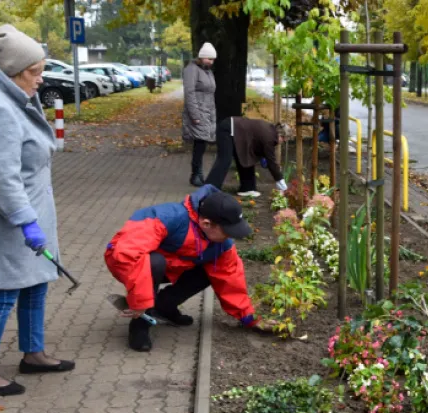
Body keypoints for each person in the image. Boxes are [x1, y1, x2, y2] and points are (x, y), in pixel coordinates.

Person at [0, 24, 75, 397]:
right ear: (13, 70)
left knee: (35, 284)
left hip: (27, 212)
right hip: (4, 217)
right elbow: (2, 180)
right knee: (3, 293)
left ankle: (33, 353)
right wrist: (26, 221)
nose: (41, 79)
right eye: (34, 72)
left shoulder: (13, 96)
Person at [105, 185, 274, 351]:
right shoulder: (168, 218)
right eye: (227, 231)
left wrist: (251, 319)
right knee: (155, 263)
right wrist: (139, 301)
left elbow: (231, 280)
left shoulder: (221, 244)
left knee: (212, 269)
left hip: (174, 265)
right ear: (207, 223)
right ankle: (140, 323)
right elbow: (127, 254)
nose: (230, 237)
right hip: (125, 262)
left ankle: (164, 306)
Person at [204, 116, 292, 197]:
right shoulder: (270, 138)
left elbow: (258, 145)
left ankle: (247, 188)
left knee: (247, 157)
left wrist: (263, 158)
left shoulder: (270, 131)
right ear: (281, 135)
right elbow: (271, 162)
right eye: (283, 140)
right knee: (224, 160)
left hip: (235, 131)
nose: (282, 143)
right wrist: (282, 184)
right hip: (228, 129)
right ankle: (209, 189)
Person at [183, 42, 218, 187]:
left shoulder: (207, 71)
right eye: (208, 58)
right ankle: (195, 174)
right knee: (199, 144)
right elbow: (189, 93)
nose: (210, 61)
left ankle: (199, 174)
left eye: (212, 59)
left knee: (202, 144)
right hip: (197, 111)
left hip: (208, 111)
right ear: (201, 57)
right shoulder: (192, 70)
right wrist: (195, 115)